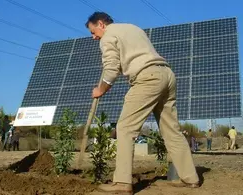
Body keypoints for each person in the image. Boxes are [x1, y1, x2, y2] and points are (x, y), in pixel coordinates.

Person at [85, 12, 199, 193]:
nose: (93, 37)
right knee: (171, 130)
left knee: (124, 127)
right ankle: (190, 178)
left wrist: (100, 90)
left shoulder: (107, 37)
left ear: (101, 24)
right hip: (167, 75)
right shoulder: (132, 28)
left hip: (147, 78)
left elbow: (111, 70)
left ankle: (122, 183)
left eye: (93, 31)